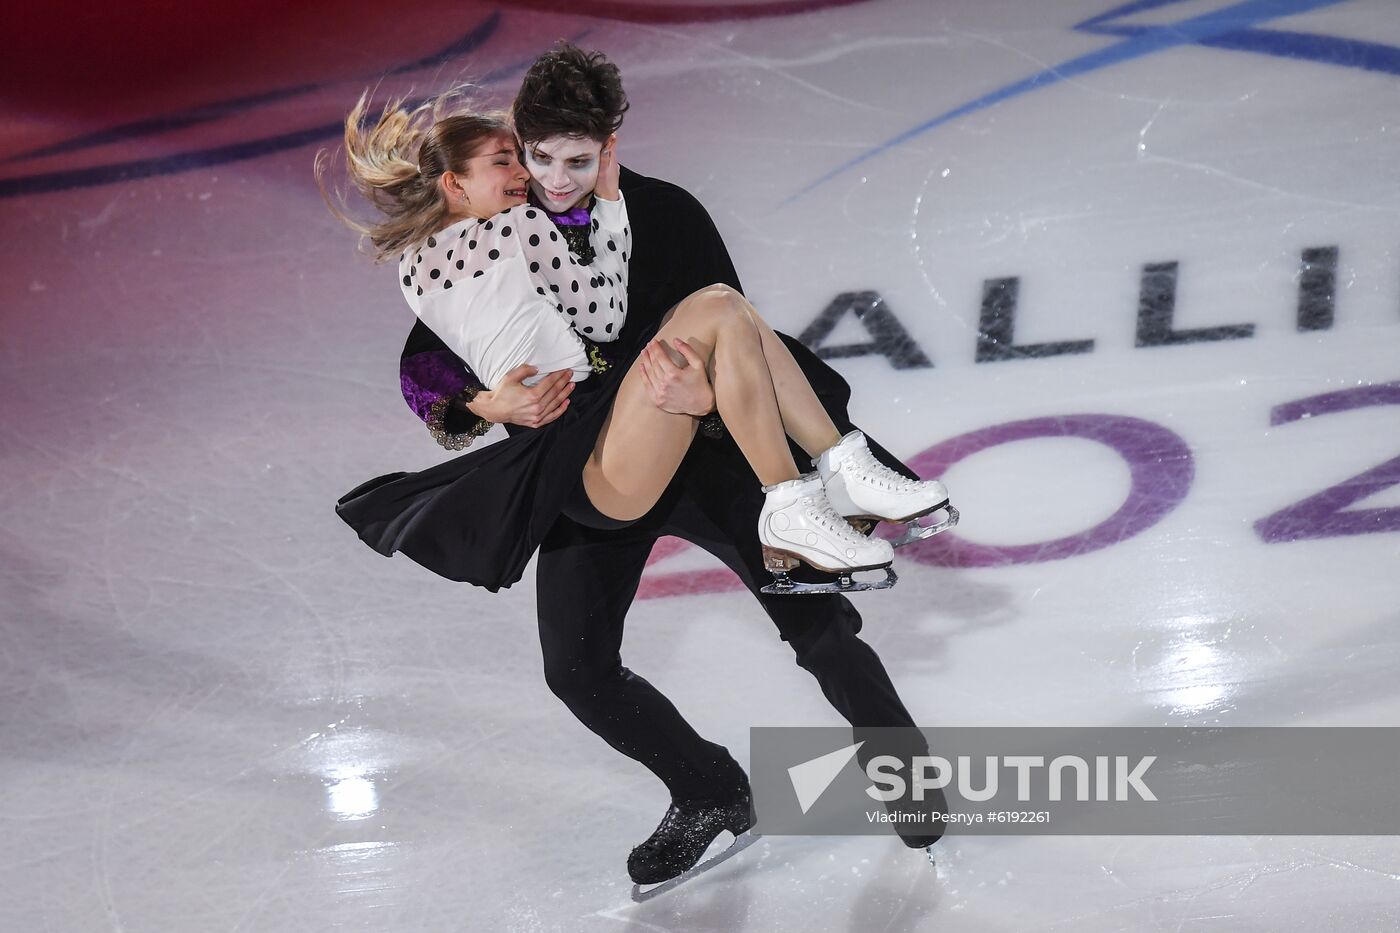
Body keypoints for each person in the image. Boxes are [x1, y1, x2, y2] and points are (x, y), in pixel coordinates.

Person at [337, 43, 948, 885]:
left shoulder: (665, 213)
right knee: (577, 669)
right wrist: (485, 404)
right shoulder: (496, 223)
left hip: (704, 454)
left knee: (815, 623)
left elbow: (740, 334)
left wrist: (701, 399)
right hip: (580, 469)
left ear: (609, 144)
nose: (550, 175)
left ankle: (903, 771)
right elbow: (424, 354)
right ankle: (710, 790)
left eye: (573, 158)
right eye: (533, 156)